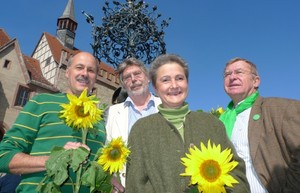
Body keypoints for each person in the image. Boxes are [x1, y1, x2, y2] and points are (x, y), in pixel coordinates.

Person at [125, 54, 250, 193]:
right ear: (155, 87)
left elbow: (236, 172)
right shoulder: (141, 130)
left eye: (179, 78)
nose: (174, 85)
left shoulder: (211, 123)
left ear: (187, 82)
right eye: (165, 80)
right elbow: (136, 185)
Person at [0, 52, 106, 193]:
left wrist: (107, 178)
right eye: (79, 67)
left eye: (91, 70)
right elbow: (4, 155)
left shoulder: (99, 120)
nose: (85, 73)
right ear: (67, 72)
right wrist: (55, 159)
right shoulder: (41, 102)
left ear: (95, 78)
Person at [219, 57, 300, 193]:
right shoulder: (218, 122)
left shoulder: (281, 108)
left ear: (256, 81)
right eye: (227, 74)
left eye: (239, 72)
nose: (232, 77)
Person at [106, 57, 161, 191]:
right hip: (126, 186)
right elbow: (106, 148)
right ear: (124, 85)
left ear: (148, 78)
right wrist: (109, 178)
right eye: (127, 77)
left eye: (137, 74)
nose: (133, 79)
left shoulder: (166, 106)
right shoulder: (113, 113)